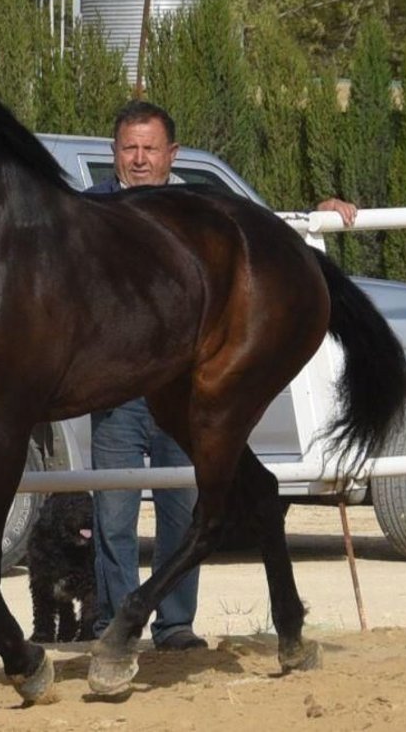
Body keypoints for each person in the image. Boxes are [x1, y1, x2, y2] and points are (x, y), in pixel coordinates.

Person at [86, 100, 357, 650]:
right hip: (116, 391)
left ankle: (175, 624)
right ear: (114, 153)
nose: (138, 160)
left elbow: (268, 242)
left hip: (188, 385)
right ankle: (111, 623)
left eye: (149, 149)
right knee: (112, 514)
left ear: (172, 154)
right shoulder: (90, 213)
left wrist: (320, 213)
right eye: (129, 149)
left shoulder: (209, 208)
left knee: (180, 507)